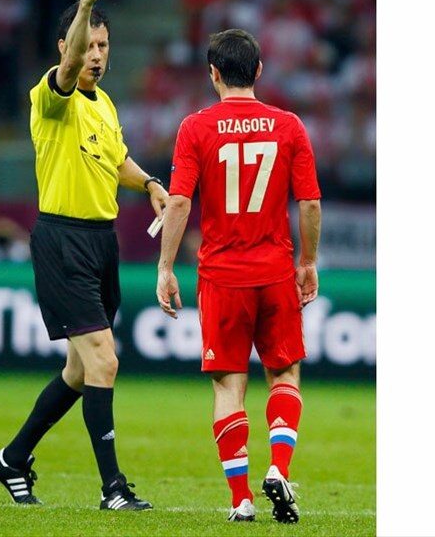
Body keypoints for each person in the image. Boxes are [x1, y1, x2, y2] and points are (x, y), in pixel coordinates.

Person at [0, 0, 167, 512]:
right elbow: (65, 69)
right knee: (104, 363)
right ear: (67, 45)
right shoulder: (51, 94)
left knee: (78, 369)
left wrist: (152, 183)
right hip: (62, 240)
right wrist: (86, 0)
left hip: (100, 243)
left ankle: (12, 458)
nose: (96, 54)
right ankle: (113, 488)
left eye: (104, 45)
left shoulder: (106, 105)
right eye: (88, 44)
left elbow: (118, 163)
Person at [156, 29, 322, 523]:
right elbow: (309, 202)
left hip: (222, 276)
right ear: (258, 72)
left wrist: (165, 267)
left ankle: (241, 500)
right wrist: (308, 263)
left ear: (212, 74)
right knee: (285, 373)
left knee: (230, 387)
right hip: (274, 272)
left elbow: (181, 201)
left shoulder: (195, 127)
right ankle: (280, 469)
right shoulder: (289, 126)